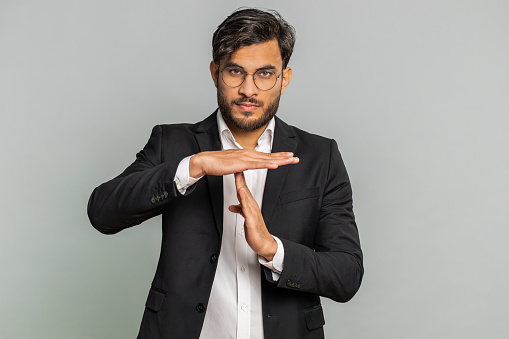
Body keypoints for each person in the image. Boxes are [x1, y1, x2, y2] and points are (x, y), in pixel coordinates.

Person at [88, 7, 363, 339]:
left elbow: (347, 274)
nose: (249, 89)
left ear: (284, 79)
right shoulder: (172, 143)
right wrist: (195, 166)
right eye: (235, 72)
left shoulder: (320, 156)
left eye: (264, 73)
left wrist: (273, 249)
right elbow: (102, 212)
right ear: (215, 72)